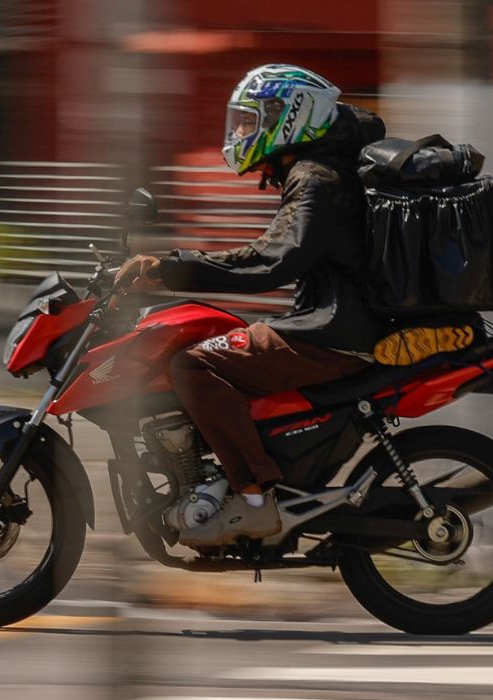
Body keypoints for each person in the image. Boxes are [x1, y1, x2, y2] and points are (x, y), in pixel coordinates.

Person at [116, 64, 386, 547]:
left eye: (250, 120)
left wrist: (170, 268)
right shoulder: (318, 170)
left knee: (194, 365)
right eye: (239, 121)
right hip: (332, 323)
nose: (241, 132)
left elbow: (272, 262)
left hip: (332, 331)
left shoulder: (316, 178)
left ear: (291, 117)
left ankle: (253, 498)